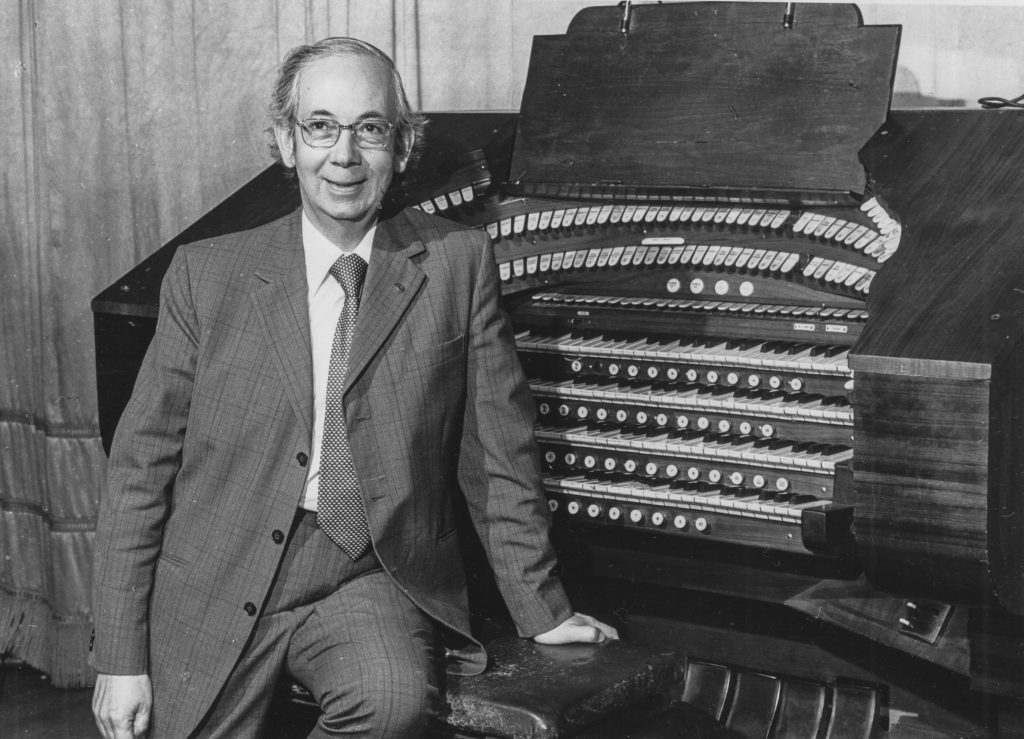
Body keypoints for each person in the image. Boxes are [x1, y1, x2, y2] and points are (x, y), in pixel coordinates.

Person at [90, 37, 617, 738]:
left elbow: (499, 455)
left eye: (369, 129)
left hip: (368, 570)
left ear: (400, 148)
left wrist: (542, 608)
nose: (344, 155)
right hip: (224, 561)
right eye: (321, 126)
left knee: (391, 702)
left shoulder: (457, 264)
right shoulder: (206, 274)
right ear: (286, 142)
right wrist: (120, 656)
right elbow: (140, 469)